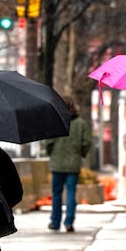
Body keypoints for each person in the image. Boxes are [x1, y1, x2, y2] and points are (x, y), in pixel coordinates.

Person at [44, 96, 91, 232]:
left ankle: (55, 221)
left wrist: (52, 153)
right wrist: (81, 153)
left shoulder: (55, 122)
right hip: (73, 165)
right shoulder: (81, 123)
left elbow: (48, 142)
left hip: (57, 164)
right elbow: (86, 142)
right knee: (71, 193)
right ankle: (69, 221)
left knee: (56, 194)